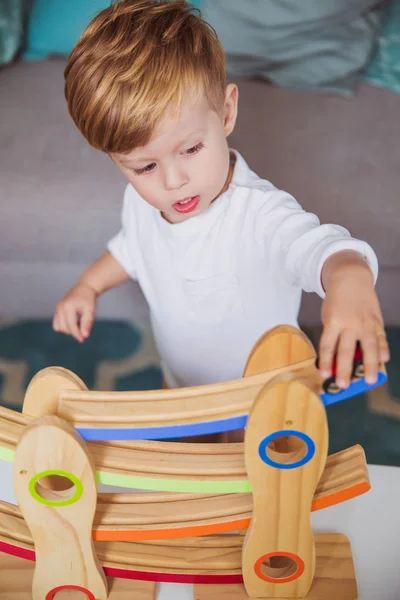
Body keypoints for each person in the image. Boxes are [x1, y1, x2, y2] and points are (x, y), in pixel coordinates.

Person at [53, 0, 389, 400]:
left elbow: (317, 249)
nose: (173, 181)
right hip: (180, 387)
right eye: (144, 167)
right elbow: (132, 249)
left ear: (226, 111)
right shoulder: (141, 201)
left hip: (263, 398)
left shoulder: (259, 213)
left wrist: (349, 276)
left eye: (191, 149)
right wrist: (88, 285)